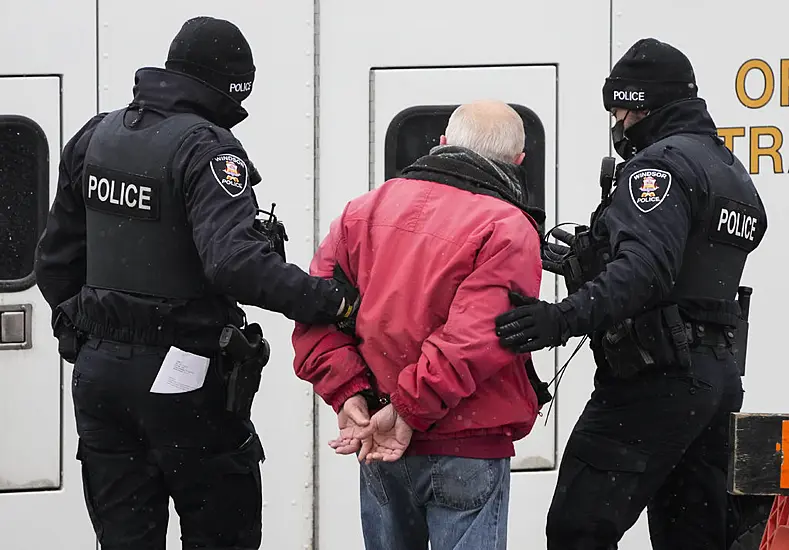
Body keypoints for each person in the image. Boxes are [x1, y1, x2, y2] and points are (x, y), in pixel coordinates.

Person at [33, 16, 358, 550]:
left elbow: (53, 263)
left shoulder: (96, 135)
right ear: (227, 87)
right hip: (184, 377)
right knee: (221, 534)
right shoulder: (207, 149)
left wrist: (93, 332)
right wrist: (335, 302)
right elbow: (235, 266)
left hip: (99, 380)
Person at [494, 38, 768, 549]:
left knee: (579, 528)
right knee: (694, 535)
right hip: (715, 379)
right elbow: (692, 269)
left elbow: (647, 272)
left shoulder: (657, 169)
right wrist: (596, 257)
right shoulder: (728, 170)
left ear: (642, 104)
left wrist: (560, 319)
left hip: (652, 378)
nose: (617, 120)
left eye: (620, 107)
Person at [292, 100, 547, 550]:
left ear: (444, 144)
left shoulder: (362, 210)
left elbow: (318, 307)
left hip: (378, 433)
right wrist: (408, 409)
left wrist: (348, 389)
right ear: (520, 162)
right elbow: (474, 339)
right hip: (466, 442)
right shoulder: (508, 226)